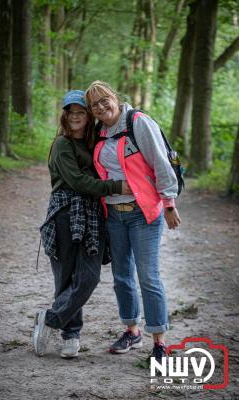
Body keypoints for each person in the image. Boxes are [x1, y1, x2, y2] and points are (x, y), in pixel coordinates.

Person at [85, 81, 181, 361]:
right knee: (121, 277)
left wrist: (169, 203)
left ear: (114, 97)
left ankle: (159, 342)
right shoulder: (98, 132)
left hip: (143, 214)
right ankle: (132, 331)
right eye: (95, 105)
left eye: (104, 100)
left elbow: (161, 164)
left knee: (148, 277)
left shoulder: (138, 122)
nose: (102, 107)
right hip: (113, 215)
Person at [33, 89, 131, 358]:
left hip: (93, 212)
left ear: (89, 116)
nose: (75, 116)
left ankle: (50, 319)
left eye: (80, 112)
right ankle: (71, 335)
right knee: (64, 278)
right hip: (65, 210)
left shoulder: (96, 141)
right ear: (65, 116)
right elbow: (77, 182)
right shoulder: (62, 145)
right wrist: (116, 186)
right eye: (70, 112)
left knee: (89, 277)